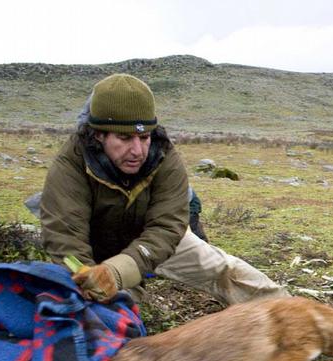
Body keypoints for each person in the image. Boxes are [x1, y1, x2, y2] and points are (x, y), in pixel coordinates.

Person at [40, 73, 289, 304]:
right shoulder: (72, 162)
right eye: (124, 138)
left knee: (224, 269)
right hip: (96, 243)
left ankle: (292, 312)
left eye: (144, 137)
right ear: (98, 135)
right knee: (101, 302)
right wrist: (90, 278)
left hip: (155, 237)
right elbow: (65, 235)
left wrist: (120, 270)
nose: (137, 151)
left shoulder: (163, 154)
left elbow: (168, 226)